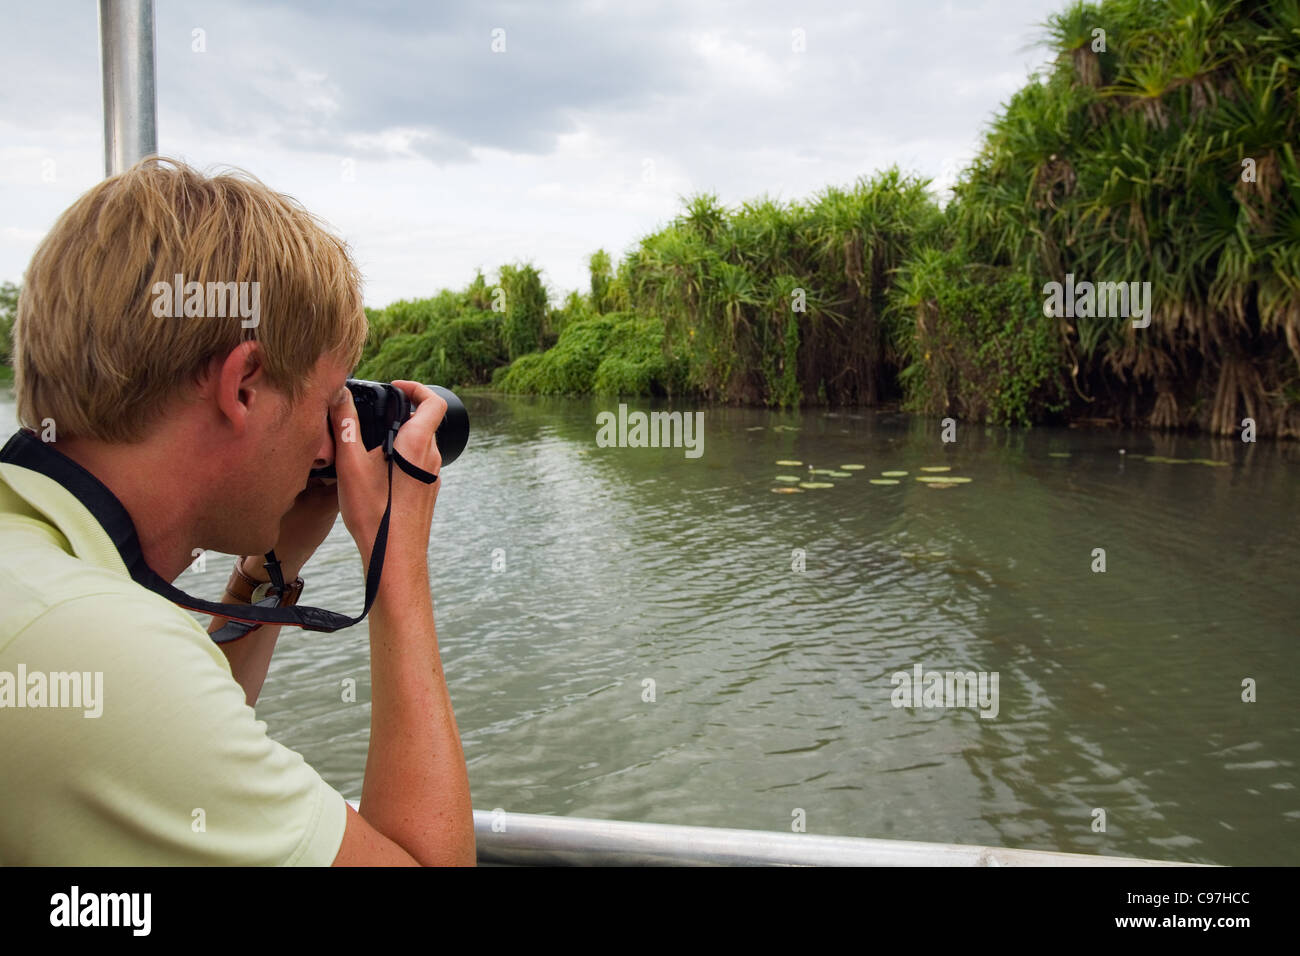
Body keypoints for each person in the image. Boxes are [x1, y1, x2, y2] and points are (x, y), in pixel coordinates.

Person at [0, 157, 475, 865]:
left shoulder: (46, 575)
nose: (326, 450)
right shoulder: (90, 641)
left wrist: (262, 577)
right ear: (244, 387)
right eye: (326, 406)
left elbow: (178, 742)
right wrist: (394, 557)